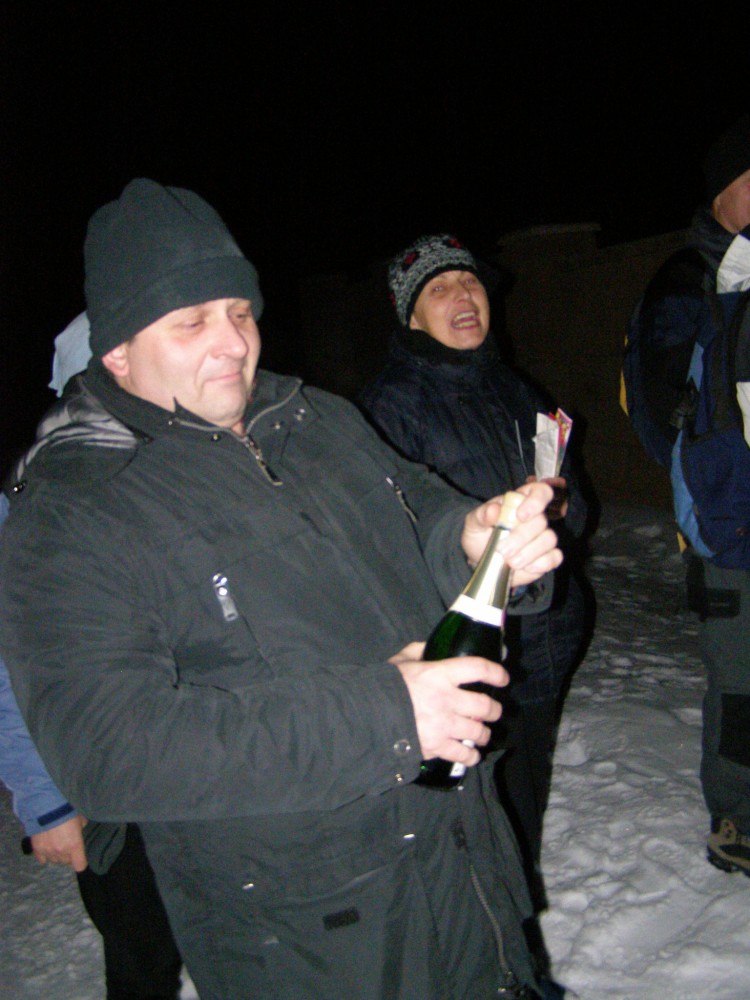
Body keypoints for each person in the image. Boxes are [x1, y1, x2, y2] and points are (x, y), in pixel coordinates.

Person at [0, 178, 563, 1000]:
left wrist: (472, 540)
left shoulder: (314, 418)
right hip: (313, 935)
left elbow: (420, 515)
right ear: (116, 350)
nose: (231, 340)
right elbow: (107, 748)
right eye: (190, 321)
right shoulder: (75, 507)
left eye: (239, 310)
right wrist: (386, 716)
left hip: (460, 864)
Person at [358, 234, 590, 899]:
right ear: (411, 316)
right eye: (439, 289)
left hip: (543, 643)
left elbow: (577, 505)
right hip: (465, 653)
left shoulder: (516, 388)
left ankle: (514, 911)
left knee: (524, 797)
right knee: (468, 817)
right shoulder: (387, 409)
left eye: (470, 283)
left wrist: (559, 507)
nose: (463, 296)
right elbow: (388, 546)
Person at [1, 360, 184, 1000]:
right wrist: (44, 799)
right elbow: (12, 664)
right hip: (111, 784)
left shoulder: (192, 460)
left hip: (209, 762)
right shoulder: (40, 491)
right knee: (144, 957)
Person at [630, 116, 750, 875]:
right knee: (743, 688)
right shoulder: (687, 278)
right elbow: (651, 401)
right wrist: (708, 481)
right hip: (731, 529)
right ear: (722, 195)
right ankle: (738, 819)